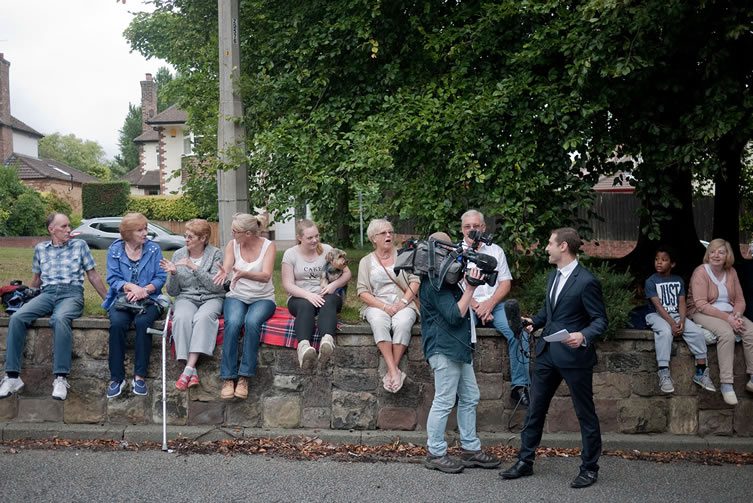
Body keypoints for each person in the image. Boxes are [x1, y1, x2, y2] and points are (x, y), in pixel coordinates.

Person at [500, 227, 607, 489]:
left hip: (574, 358)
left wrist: (583, 335)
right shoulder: (553, 276)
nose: (546, 248)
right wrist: (532, 323)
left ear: (563, 247)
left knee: (585, 413)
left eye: (549, 243)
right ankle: (525, 461)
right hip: (547, 354)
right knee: (535, 409)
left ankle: (589, 468)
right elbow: (550, 312)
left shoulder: (586, 281)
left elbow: (600, 320)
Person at [0, 213, 108, 401]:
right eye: (64, 226)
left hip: (72, 293)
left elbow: (93, 275)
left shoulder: (79, 245)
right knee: (17, 317)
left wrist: (108, 301)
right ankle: (12, 377)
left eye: (69, 226)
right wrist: (27, 298)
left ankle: (60, 378)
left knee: (59, 318)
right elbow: (36, 280)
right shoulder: (41, 249)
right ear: (52, 230)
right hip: (47, 293)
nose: (69, 230)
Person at [420, 232, 500, 474]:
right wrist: (471, 289)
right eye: (447, 249)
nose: (453, 252)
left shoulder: (447, 279)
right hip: (443, 348)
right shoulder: (433, 283)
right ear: (436, 252)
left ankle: (469, 449)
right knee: (444, 400)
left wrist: (470, 280)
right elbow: (455, 315)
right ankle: (435, 452)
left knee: (470, 396)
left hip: (458, 347)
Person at [460, 209, 529, 406]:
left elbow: (505, 283)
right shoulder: (457, 251)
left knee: (519, 332)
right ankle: (459, 388)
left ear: (483, 227)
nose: (472, 230)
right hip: (467, 303)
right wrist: (476, 306)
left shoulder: (495, 251)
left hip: (494, 304)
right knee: (460, 331)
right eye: (467, 226)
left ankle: (520, 387)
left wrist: (488, 305)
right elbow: (456, 285)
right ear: (461, 230)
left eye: (476, 226)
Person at [212, 213, 276, 400]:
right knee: (232, 322)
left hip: (262, 298)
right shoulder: (233, 245)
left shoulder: (268, 246)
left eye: (235, 231)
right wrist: (225, 271)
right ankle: (228, 377)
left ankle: (244, 377)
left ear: (248, 233)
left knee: (252, 322)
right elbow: (229, 265)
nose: (232, 234)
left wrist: (243, 274)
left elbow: (266, 276)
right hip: (237, 295)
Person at [103, 212, 167, 399]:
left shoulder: (154, 249)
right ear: (128, 233)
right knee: (117, 324)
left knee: (142, 324)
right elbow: (113, 278)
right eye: (140, 230)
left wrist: (144, 290)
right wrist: (131, 287)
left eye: (145, 228)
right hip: (124, 299)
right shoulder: (114, 250)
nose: (145, 233)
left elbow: (160, 277)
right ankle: (117, 378)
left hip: (149, 298)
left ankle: (139, 377)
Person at [160, 219, 225, 391]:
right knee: (181, 317)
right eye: (185, 236)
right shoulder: (178, 254)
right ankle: (192, 370)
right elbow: (173, 292)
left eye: (190, 237)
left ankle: (188, 368)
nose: (186, 240)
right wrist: (173, 274)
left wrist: (195, 268)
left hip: (212, 297)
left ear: (203, 238)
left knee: (203, 318)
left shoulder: (216, 254)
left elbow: (216, 286)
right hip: (186, 297)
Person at [687, 238, 753, 405]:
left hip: (730, 313)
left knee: (751, 330)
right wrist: (728, 319)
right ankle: (726, 384)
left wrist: (737, 315)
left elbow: (740, 300)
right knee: (726, 333)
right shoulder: (700, 272)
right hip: (702, 312)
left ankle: (752, 377)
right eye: (713, 251)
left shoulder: (731, 272)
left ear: (727, 256)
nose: (716, 255)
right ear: (708, 254)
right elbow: (701, 304)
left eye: (721, 252)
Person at [357, 219, 420, 393]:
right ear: (373, 238)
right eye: (383, 233)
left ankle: (392, 370)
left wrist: (403, 302)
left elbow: (415, 282)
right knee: (378, 322)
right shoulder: (365, 262)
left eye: (390, 232)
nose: (388, 236)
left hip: (404, 302)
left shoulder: (404, 255)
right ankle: (394, 372)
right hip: (378, 304)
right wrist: (384, 307)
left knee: (403, 323)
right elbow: (362, 292)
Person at [644, 245, 715, 394]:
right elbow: (658, 306)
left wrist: (682, 322)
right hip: (656, 315)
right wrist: (672, 325)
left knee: (696, 332)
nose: (659, 262)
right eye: (657, 259)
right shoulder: (651, 281)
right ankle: (663, 372)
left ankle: (701, 372)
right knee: (664, 332)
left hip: (676, 315)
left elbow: (682, 303)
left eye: (664, 260)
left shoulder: (678, 280)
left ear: (673, 264)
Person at [282, 219, 351, 368]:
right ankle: (304, 348)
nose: (315, 240)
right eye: (310, 238)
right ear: (299, 238)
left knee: (330, 301)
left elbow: (347, 274)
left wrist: (334, 285)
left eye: (317, 236)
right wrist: (308, 295)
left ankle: (326, 341)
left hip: (327, 293)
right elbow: (287, 284)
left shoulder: (327, 250)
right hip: (300, 296)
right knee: (306, 306)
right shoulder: (290, 254)